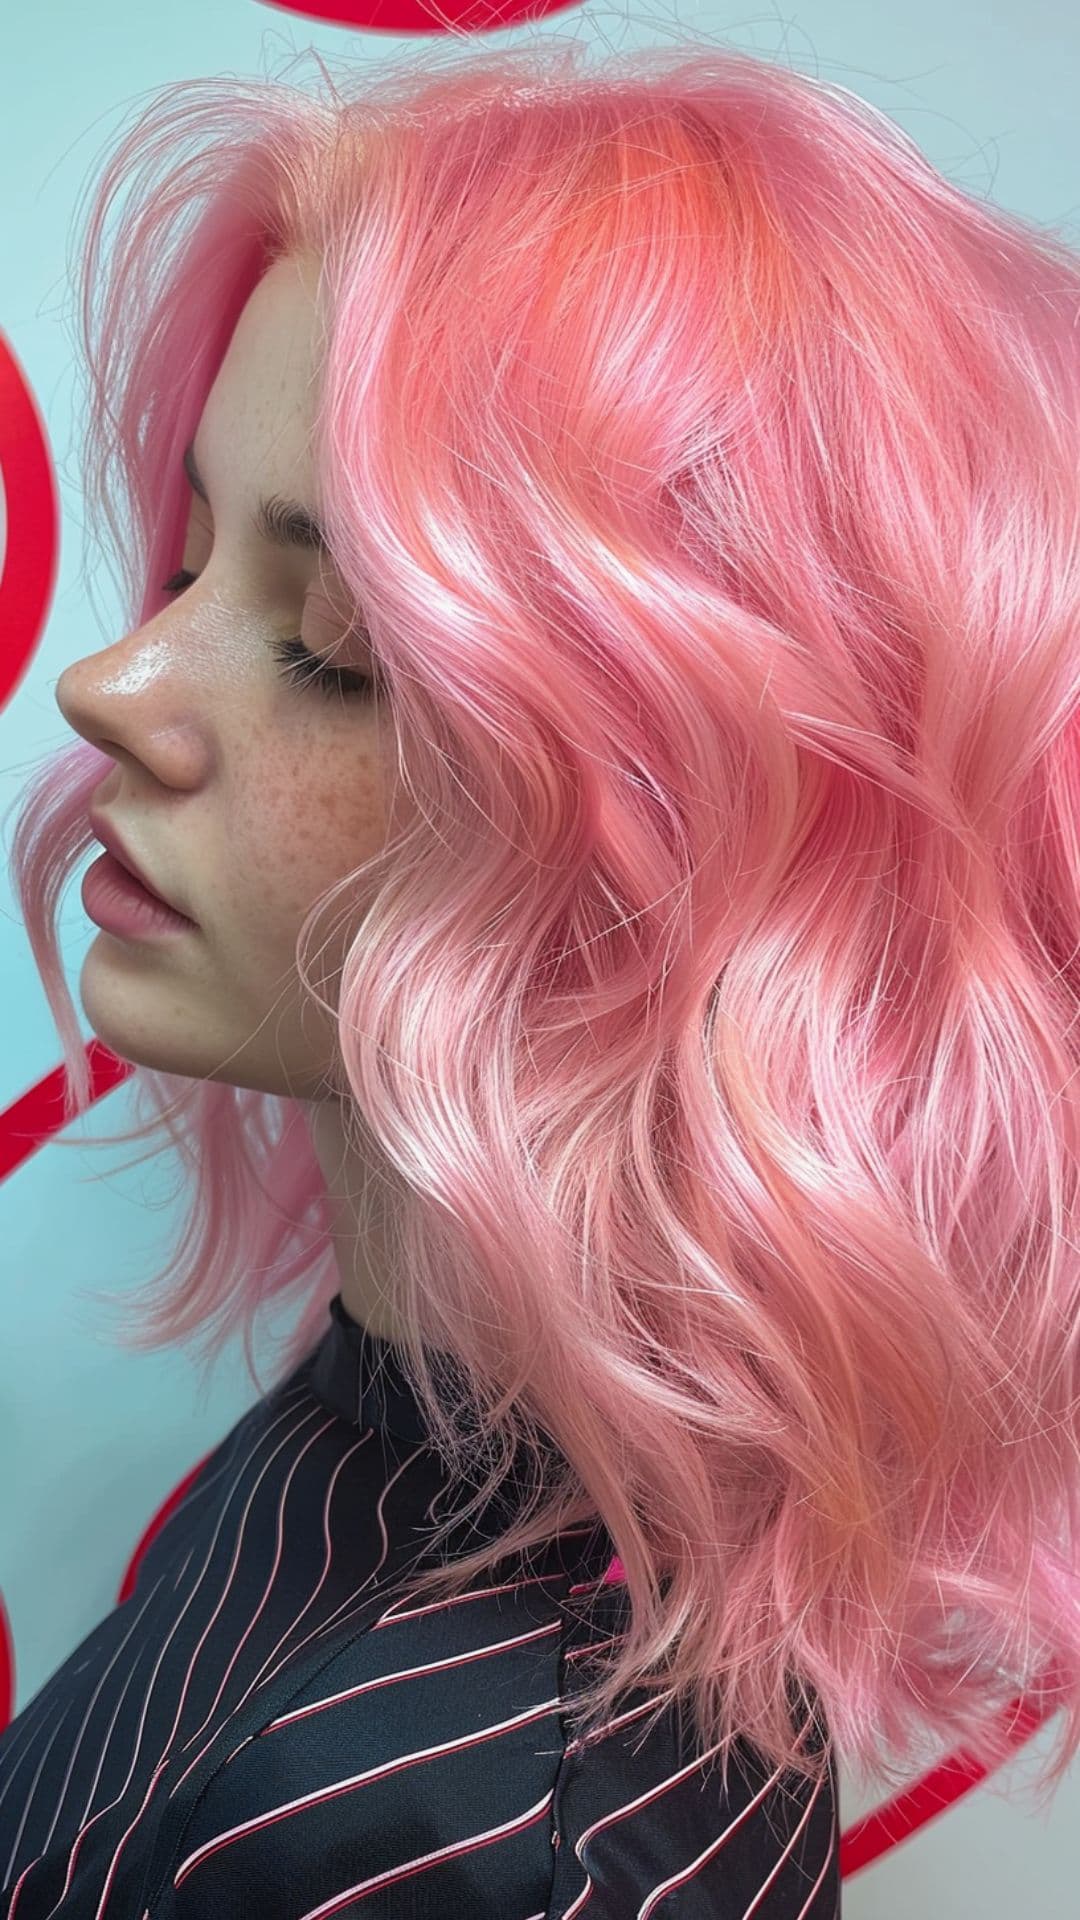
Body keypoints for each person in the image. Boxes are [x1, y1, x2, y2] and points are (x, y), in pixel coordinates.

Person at [5, 31, 1080, 1917]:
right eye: (186, 565)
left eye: (334, 643)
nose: (113, 689)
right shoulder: (398, 1458)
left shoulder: (506, 1845)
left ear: (701, 853)